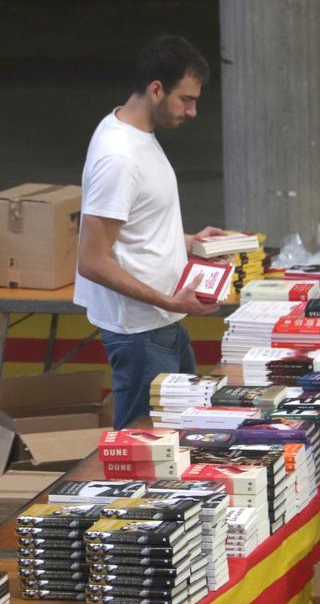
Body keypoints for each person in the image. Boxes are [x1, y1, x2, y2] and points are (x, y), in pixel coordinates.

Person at [75, 35, 227, 430]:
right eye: (187, 99)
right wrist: (168, 301)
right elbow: (92, 261)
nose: (193, 111)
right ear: (156, 89)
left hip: (163, 321)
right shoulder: (119, 157)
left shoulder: (138, 136)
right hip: (141, 331)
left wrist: (192, 242)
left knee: (182, 434)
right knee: (146, 451)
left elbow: (136, 229)